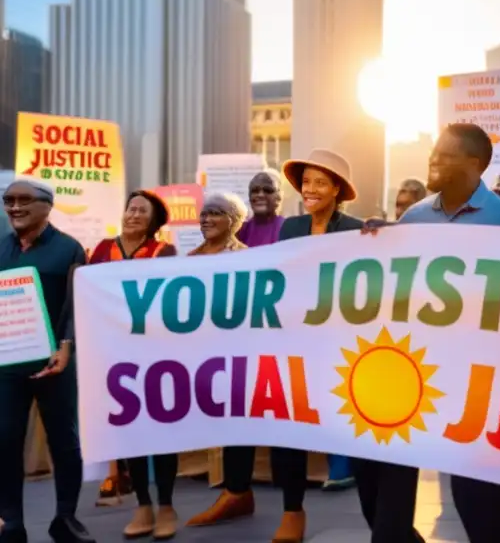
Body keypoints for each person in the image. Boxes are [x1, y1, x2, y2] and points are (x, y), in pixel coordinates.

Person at [364, 123, 500, 543]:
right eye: (433, 153)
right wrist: (375, 242)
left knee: (475, 493)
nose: (433, 160)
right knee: (388, 480)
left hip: (477, 370)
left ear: (475, 164)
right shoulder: (415, 216)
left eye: (445, 155)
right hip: (414, 363)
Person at [187, 171, 287, 530]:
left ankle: (238, 492)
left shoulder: (249, 259)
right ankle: (235, 491)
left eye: (216, 214)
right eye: (204, 214)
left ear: (233, 221)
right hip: (204, 357)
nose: (207, 220)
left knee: (241, 422)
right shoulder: (188, 260)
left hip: (245, 353)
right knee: (225, 421)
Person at [275, 149, 363, 543]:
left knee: (355, 429)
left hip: (343, 346)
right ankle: (292, 512)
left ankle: (382, 518)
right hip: (296, 342)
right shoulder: (289, 227)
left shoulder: (357, 228)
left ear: (338, 191)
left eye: (320, 183)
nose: (310, 190)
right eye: (306, 182)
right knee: (288, 429)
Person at [0, 178, 93, 543]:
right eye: (8, 200)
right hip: (7, 366)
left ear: (47, 205)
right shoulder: (1, 249)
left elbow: (76, 303)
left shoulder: (69, 249)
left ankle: (65, 519)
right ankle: (11, 521)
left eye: (24, 200)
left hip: (56, 362)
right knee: (5, 439)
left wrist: (66, 345)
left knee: (65, 442)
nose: (14, 207)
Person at [88, 190, 179, 539]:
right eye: (131, 208)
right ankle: (143, 505)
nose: (134, 214)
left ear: (154, 221)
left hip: (155, 353)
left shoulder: (164, 252)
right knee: (131, 432)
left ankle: (167, 505)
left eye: (143, 210)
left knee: (162, 431)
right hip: (114, 354)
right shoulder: (100, 251)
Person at [237, 169, 286, 246]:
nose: (260, 195)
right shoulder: (240, 231)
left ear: (279, 197)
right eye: (255, 191)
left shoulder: (288, 229)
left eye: (268, 190)